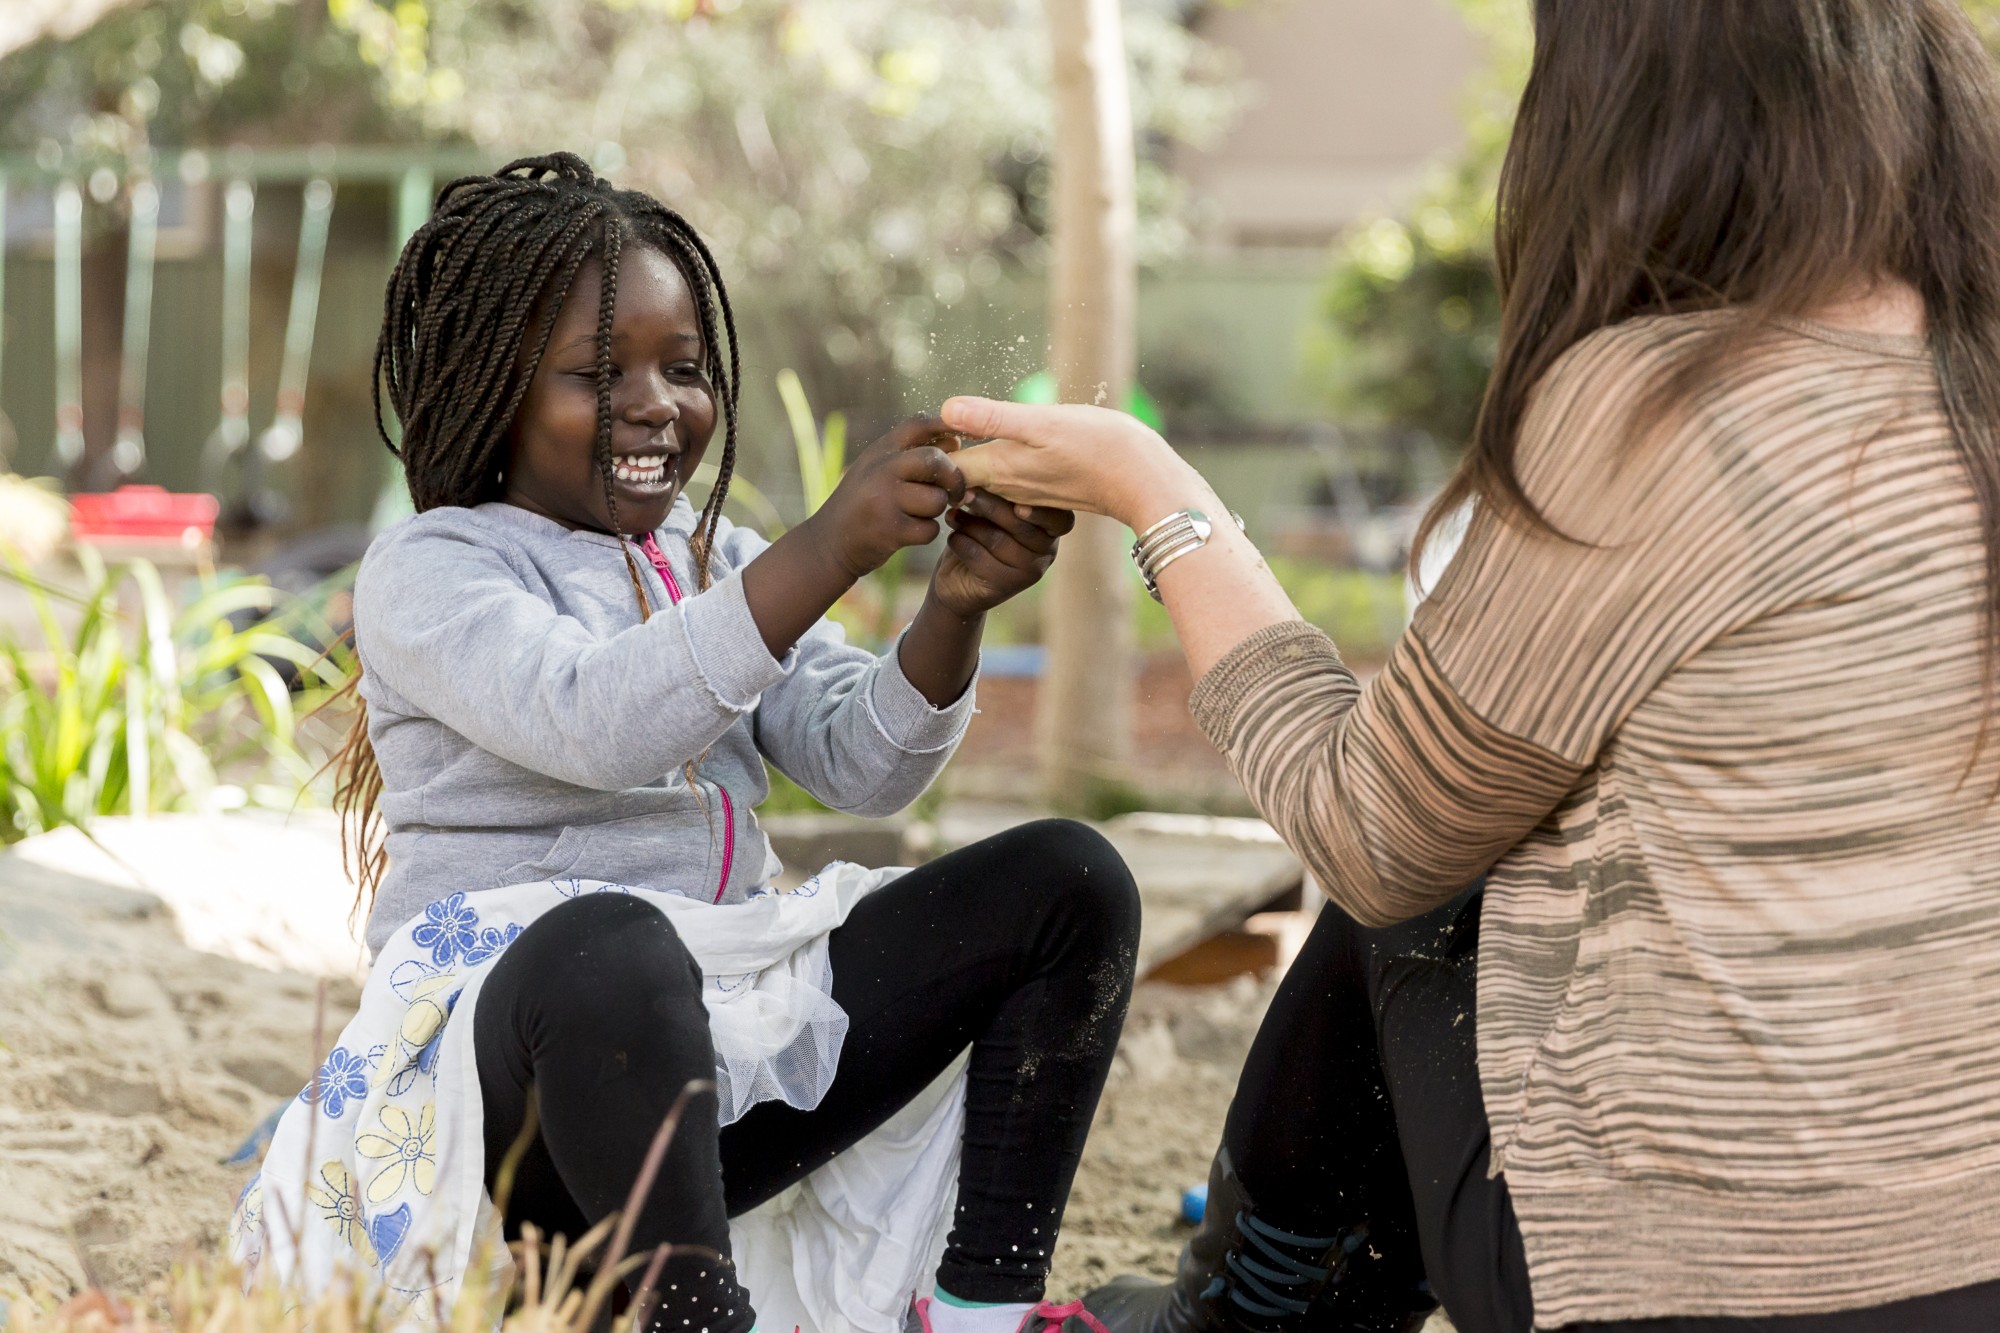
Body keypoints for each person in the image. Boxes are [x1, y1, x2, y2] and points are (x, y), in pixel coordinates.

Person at [943, 2, 2000, 1330]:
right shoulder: (1970, 379)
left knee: (1425, 873)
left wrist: (1153, 490)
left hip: (1719, 1284)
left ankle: (1240, 1316)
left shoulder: (1662, 408)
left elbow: (1371, 830)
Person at [229, 153, 1140, 1333]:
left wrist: (952, 608)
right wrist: (827, 547)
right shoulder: (434, 565)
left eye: (685, 367)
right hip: (520, 1096)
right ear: (491, 387)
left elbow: (862, 762)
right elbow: (595, 718)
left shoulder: (712, 561)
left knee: (1069, 880)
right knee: (611, 944)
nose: (657, 402)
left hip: (720, 1041)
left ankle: (979, 1313)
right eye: (596, 373)